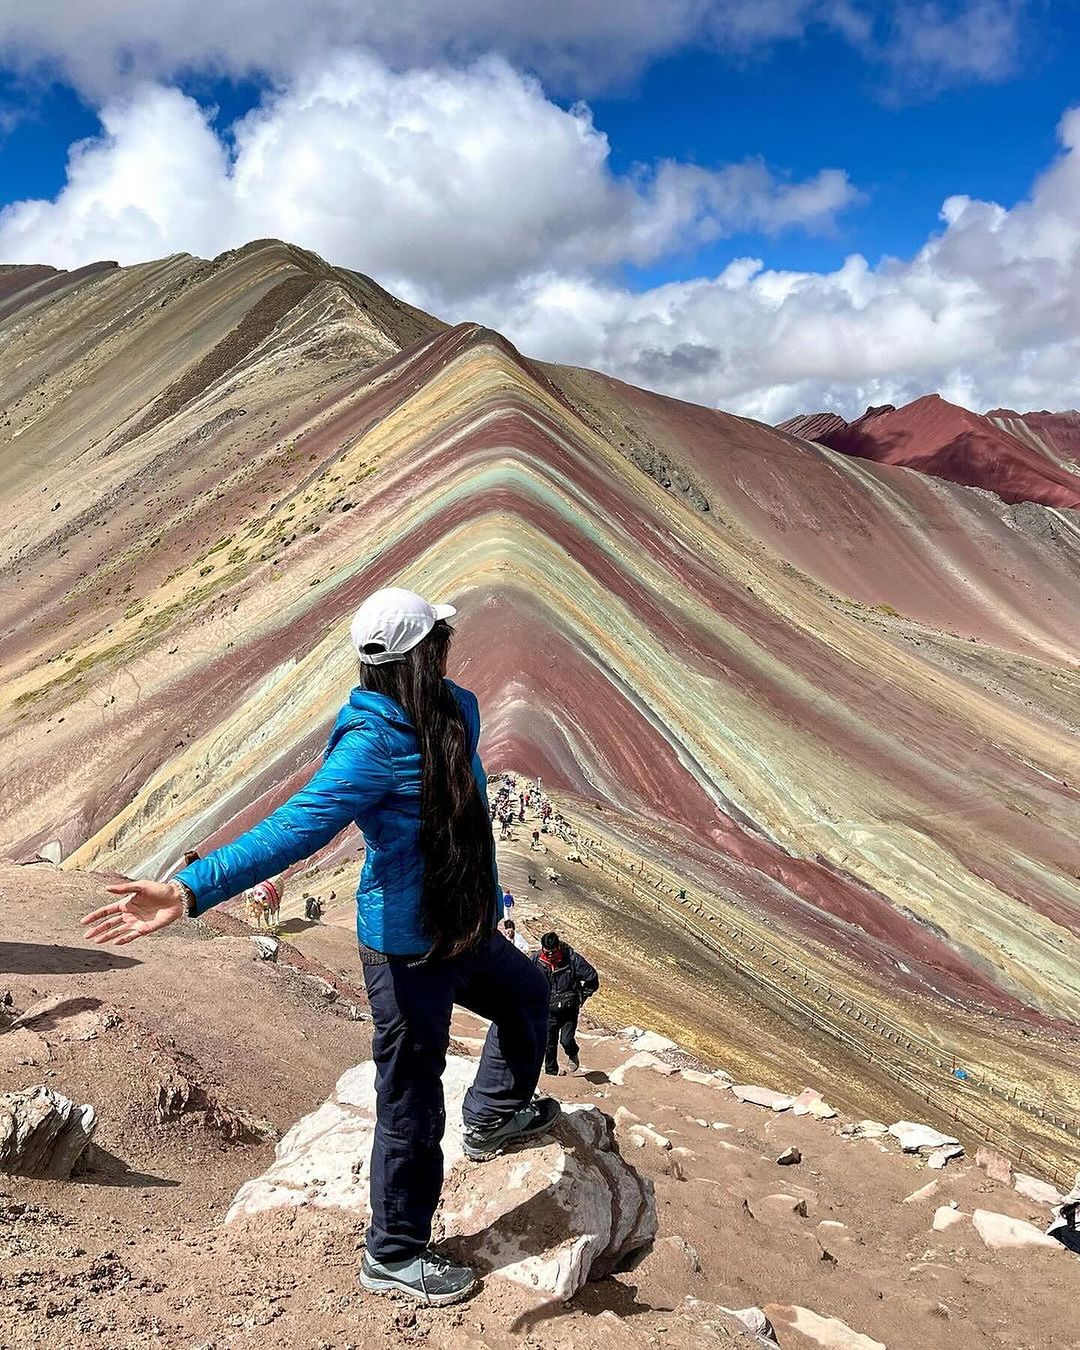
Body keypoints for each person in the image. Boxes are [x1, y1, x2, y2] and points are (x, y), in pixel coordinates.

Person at [82, 586, 558, 1308]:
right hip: (405, 949)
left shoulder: (454, 709)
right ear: (421, 655)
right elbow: (294, 826)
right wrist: (189, 890)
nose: (449, 646)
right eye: (440, 639)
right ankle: (394, 1255)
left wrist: (486, 902)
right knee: (412, 1100)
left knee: (528, 997)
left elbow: (468, 817)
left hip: (464, 926)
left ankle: (493, 1115)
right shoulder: (370, 746)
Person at [533, 932, 599, 1076]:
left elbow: (592, 977)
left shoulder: (572, 959)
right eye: (547, 952)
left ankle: (572, 1052)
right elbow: (526, 979)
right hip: (547, 1009)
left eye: (553, 952)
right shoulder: (536, 960)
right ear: (542, 948)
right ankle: (551, 1073)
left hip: (569, 1008)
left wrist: (582, 996)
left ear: (558, 947)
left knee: (566, 1040)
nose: (550, 955)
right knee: (549, 1043)